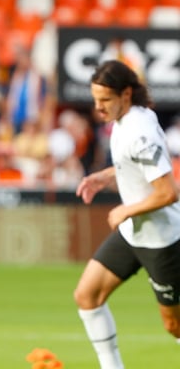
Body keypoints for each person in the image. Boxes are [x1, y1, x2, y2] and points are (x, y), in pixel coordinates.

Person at [74, 60, 180, 369]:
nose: (99, 107)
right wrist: (105, 176)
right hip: (135, 232)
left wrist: (126, 209)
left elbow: (168, 192)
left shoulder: (139, 132)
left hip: (162, 240)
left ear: (126, 94)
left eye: (105, 100)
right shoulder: (128, 119)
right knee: (87, 296)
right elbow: (133, 164)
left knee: (174, 326)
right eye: (96, 99)